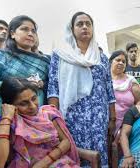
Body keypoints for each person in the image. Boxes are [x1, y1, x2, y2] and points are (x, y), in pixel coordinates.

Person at [47, 12, 116, 167]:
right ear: (72, 29)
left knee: (98, 155)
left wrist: (112, 119)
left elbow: (109, 89)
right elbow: (53, 88)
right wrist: (54, 119)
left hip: (99, 117)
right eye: (79, 24)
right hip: (71, 116)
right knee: (74, 154)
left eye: (88, 24)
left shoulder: (101, 57)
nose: (85, 27)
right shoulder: (61, 55)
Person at [0, 78, 80, 168]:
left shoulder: (47, 113)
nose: (32, 106)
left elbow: (66, 142)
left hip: (57, 163)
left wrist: (45, 162)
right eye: (23, 103)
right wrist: (6, 118)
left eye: (34, 98)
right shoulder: (5, 125)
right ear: (9, 105)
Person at [0, 15, 50, 124]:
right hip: (5, 116)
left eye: (33, 31)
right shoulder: (0, 56)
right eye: (24, 29)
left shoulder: (45, 61)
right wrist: (20, 85)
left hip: (36, 120)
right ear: (12, 34)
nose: (30, 33)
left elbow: (53, 88)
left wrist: (42, 84)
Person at [109, 49, 140, 136]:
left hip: (126, 125)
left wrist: (131, 118)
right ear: (111, 61)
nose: (121, 63)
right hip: (106, 123)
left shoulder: (131, 81)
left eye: (123, 62)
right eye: (118, 60)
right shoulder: (104, 80)